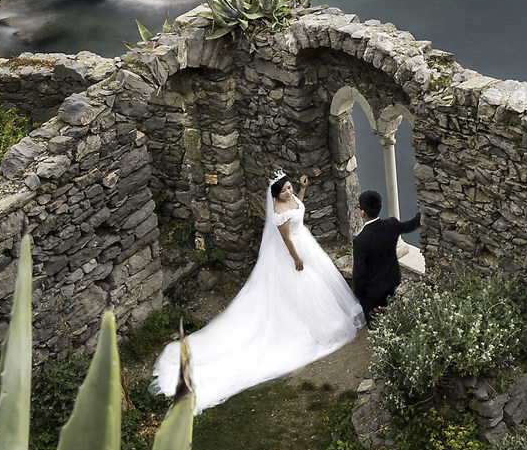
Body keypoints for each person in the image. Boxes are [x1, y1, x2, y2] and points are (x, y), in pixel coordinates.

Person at [154, 173, 364, 410]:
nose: (288, 192)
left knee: (321, 281)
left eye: (290, 187)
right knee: (307, 288)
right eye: (284, 190)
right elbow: (287, 240)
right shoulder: (279, 214)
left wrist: (302, 190)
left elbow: (298, 206)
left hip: (306, 243)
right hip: (295, 251)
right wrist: (297, 259)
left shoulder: (293, 197)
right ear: (275, 194)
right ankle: (316, 324)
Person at [349, 190, 421, 318]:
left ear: (362, 212)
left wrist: (360, 295)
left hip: (373, 292)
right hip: (393, 281)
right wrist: (422, 211)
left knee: (375, 323)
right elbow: (411, 225)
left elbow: (358, 275)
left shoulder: (360, 241)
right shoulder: (391, 224)